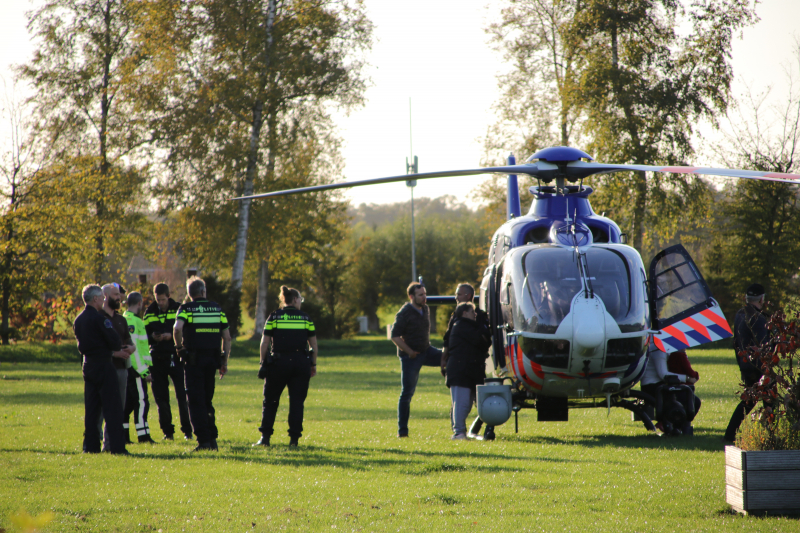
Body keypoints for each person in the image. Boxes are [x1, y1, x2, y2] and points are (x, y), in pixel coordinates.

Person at [254, 286, 318, 447]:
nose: (301, 302)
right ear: (295, 300)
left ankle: (265, 438)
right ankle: (294, 440)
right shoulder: (305, 318)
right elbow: (314, 345)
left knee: (270, 401)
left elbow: (264, 343)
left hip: (278, 363)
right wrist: (313, 364)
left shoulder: (274, 317)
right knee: (297, 403)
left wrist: (263, 363)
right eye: (300, 299)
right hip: (300, 363)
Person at [173, 277, 231, 451]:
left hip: (193, 361)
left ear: (190, 294)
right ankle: (212, 439)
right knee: (207, 400)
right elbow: (227, 337)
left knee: (195, 401)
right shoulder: (217, 309)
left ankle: (204, 441)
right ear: (204, 291)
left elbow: (177, 328)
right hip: (212, 360)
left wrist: (179, 348)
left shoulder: (186, 309)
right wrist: (224, 361)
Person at [73, 284, 130, 454]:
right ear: (95, 299)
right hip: (104, 365)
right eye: (102, 298)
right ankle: (117, 447)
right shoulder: (100, 319)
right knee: (113, 408)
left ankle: (91, 447)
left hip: (88, 365)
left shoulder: (79, 320)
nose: (104, 300)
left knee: (92, 408)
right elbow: (115, 342)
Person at [391, 282, 443, 438]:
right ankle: (402, 432)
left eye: (425, 294)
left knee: (450, 358)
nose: (424, 297)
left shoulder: (425, 308)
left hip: (427, 351)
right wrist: (410, 352)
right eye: (420, 295)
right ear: (411, 296)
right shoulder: (404, 313)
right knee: (407, 393)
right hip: (411, 357)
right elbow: (394, 336)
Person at [144, 283, 192, 440]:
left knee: (182, 396)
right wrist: (153, 338)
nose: (160, 303)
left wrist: (172, 337)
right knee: (161, 397)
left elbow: (187, 330)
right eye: (158, 300)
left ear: (168, 296)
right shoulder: (149, 311)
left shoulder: (178, 308)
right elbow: (144, 335)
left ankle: (187, 431)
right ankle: (168, 432)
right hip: (157, 358)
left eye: (163, 300)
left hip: (176, 357)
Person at [723, 283, 771, 443]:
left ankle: (729, 435)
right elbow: (765, 345)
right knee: (767, 400)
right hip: (758, 366)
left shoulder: (739, 314)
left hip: (745, 364)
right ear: (762, 299)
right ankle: (771, 436)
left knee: (749, 401)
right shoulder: (758, 318)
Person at [442, 302, 491, 440]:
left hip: (466, 370)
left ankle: (460, 432)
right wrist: (484, 332)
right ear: (464, 313)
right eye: (472, 312)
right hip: (460, 371)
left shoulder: (465, 325)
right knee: (461, 404)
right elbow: (480, 341)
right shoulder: (462, 326)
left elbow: (484, 342)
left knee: (466, 404)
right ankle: (459, 433)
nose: (475, 314)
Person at [99, 283, 136, 449]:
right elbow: (95, 345)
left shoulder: (121, 319)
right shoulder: (98, 317)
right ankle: (94, 443)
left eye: (119, 295)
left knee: (118, 408)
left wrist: (131, 348)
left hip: (121, 369)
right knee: (100, 407)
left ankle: (111, 444)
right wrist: (114, 353)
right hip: (104, 367)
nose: (119, 297)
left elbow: (129, 341)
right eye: (115, 294)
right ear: (105, 296)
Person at [640, 346, 700, 435]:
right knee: (692, 401)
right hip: (653, 386)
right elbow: (663, 374)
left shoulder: (663, 349)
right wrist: (687, 378)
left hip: (660, 384)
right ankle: (677, 426)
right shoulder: (658, 350)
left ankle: (678, 427)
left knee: (692, 400)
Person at [123, 291, 155, 444]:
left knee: (127, 404)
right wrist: (144, 371)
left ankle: (123, 436)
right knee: (141, 402)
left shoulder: (124, 318)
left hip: (127, 368)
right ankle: (144, 437)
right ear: (140, 303)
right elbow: (134, 351)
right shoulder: (135, 321)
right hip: (135, 370)